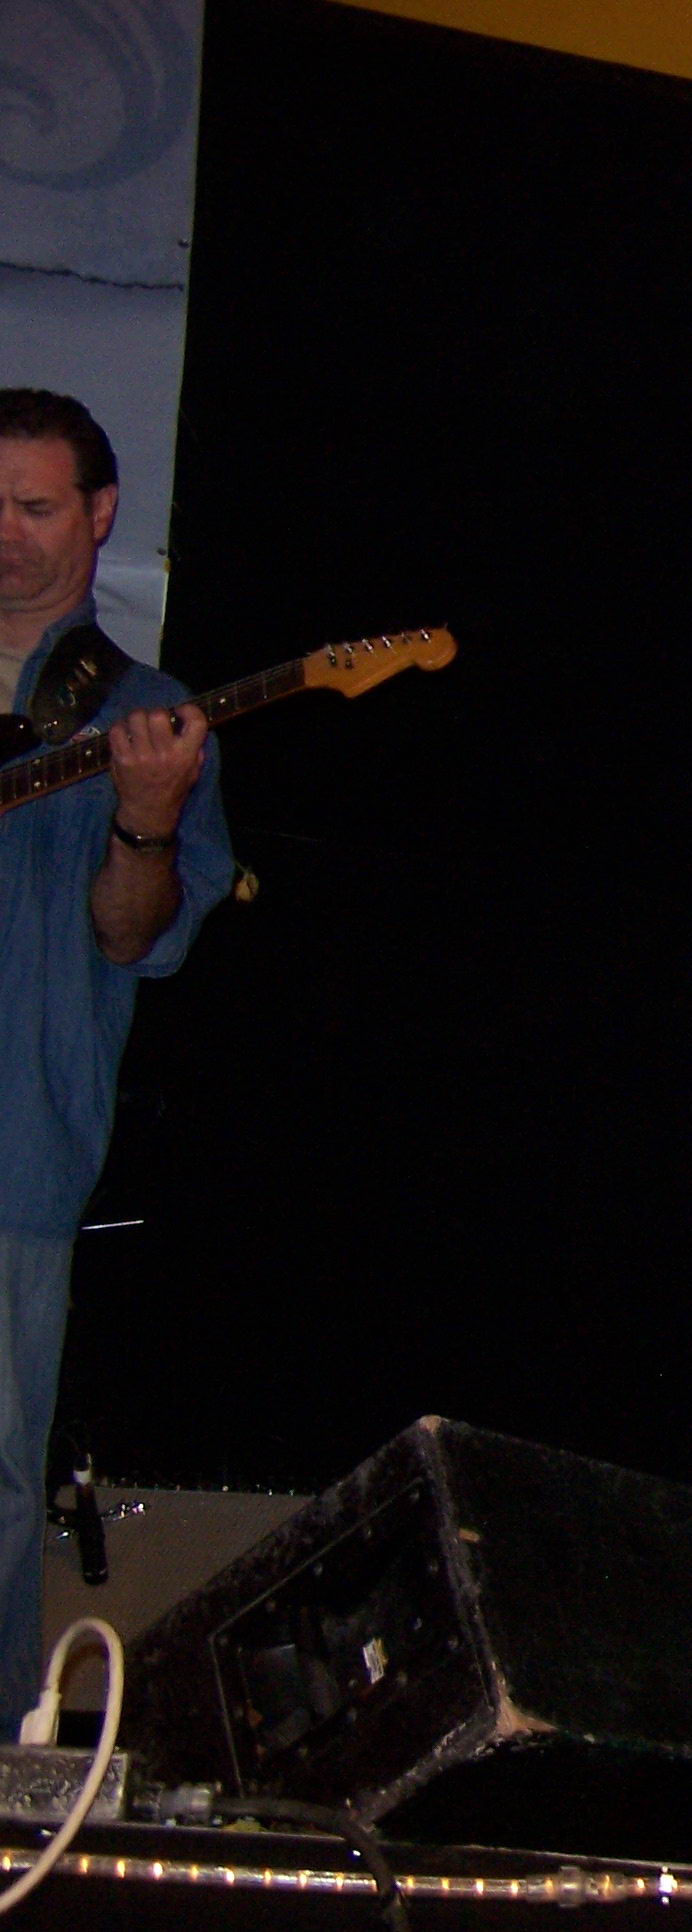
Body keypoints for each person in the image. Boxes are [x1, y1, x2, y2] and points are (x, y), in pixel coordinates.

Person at [0, 389, 231, 1723]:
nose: (7, 532)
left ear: (100, 517)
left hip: (13, 1150)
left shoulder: (148, 715)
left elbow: (137, 937)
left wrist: (144, 820)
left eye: (35, 506)